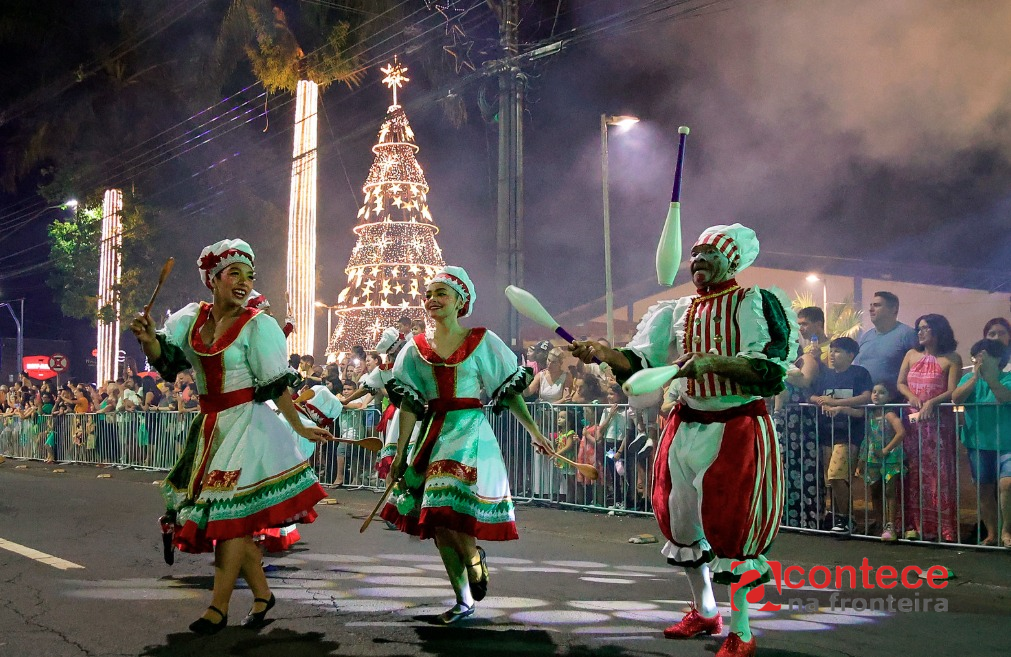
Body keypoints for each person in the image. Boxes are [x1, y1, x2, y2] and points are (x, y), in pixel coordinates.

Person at [571, 223, 798, 657]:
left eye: (708, 255)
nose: (697, 262)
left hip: (736, 426)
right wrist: (603, 352)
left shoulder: (754, 303)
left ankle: (742, 630)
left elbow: (767, 370)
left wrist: (713, 363)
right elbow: (640, 363)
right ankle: (704, 610)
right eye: (693, 255)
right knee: (680, 521)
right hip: (685, 423)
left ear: (732, 259)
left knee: (733, 527)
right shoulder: (676, 311)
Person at [129, 238, 333, 634]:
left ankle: (217, 608)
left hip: (248, 427)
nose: (243, 281)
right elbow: (169, 364)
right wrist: (150, 339)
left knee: (231, 520)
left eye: (249, 274)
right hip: (210, 429)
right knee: (231, 521)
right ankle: (262, 595)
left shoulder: (257, 325)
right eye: (234, 273)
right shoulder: (191, 320)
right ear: (212, 279)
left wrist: (299, 425)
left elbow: (275, 385)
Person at [380, 266, 553, 625]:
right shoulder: (414, 350)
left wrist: (535, 431)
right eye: (429, 294)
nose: (432, 299)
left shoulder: (482, 340)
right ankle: (463, 599)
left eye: (441, 293)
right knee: (439, 522)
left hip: (469, 432)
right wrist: (399, 453)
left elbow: (508, 392)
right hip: (431, 434)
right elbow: (410, 405)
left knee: (445, 505)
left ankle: (474, 561)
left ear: (461, 302)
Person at [897, 313, 962, 542]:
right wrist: (912, 397)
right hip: (912, 422)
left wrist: (933, 402)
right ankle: (913, 525)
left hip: (938, 424)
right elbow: (901, 382)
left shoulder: (952, 358)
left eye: (925, 328)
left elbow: (953, 390)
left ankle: (942, 528)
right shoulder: (911, 354)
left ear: (938, 330)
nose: (920, 332)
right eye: (919, 328)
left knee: (937, 474)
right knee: (912, 472)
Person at [809, 337, 872, 534]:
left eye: (837, 351)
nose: (833, 355)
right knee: (832, 480)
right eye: (832, 351)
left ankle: (846, 518)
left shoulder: (859, 373)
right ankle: (837, 516)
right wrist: (821, 401)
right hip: (827, 432)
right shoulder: (825, 376)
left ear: (850, 355)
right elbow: (811, 395)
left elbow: (866, 397)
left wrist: (836, 403)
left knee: (837, 475)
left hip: (850, 432)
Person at [952, 338, 1011, 547]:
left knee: (1007, 484)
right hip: (978, 443)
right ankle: (992, 533)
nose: (981, 360)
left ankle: (1006, 532)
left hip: (1007, 444)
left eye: (988, 357)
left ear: (1000, 359)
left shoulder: (1008, 378)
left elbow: (1006, 397)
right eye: (978, 356)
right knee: (984, 489)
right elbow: (956, 398)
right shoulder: (969, 378)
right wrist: (975, 378)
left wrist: (992, 378)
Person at [856, 383, 906, 541]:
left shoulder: (889, 414)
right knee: (875, 490)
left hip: (890, 457)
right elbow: (867, 438)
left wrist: (886, 449)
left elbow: (901, 432)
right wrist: (861, 461)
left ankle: (890, 524)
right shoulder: (870, 415)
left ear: (890, 396)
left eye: (882, 392)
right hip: (873, 457)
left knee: (889, 491)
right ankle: (880, 521)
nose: (876, 395)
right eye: (874, 392)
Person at [853, 291, 919, 387]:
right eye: (871, 305)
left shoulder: (907, 335)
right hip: (864, 398)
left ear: (893, 309)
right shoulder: (866, 336)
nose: (871, 309)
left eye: (877, 305)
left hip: (894, 400)